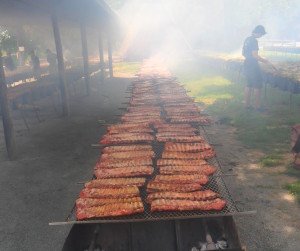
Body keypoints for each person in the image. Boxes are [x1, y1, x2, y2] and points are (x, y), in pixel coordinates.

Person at [242, 25, 277, 111]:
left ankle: (246, 105)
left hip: (246, 64)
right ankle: (257, 107)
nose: (261, 36)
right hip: (253, 66)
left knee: (248, 84)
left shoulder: (247, 39)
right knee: (257, 86)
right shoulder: (254, 41)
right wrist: (265, 61)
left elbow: (243, 53)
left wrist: (250, 57)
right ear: (258, 32)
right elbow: (255, 55)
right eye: (261, 34)